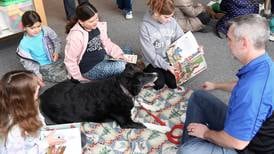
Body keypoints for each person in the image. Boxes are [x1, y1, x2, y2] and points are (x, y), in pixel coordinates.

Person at [178, 14, 274, 154]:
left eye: (230, 39)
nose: (227, 43)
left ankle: (195, 142)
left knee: (186, 151)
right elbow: (241, 85)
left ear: (244, 43)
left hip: (246, 147)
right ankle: (196, 141)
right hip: (243, 127)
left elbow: (238, 142)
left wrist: (206, 133)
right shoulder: (264, 63)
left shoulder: (252, 90)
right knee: (199, 96)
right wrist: (215, 85)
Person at [0, 70, 64, 153]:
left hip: (36, 139)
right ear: (25, 97)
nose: (41, 87)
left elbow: (40, 120)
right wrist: (45, 143)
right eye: (36, 90)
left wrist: (45, 133)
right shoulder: (14, 132)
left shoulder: (30, 103)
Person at [65, 2, 127, 81]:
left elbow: (106, 42)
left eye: (96, 18)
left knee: (126, 51)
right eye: (91, 21)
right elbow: (70, 60)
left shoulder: (98, 26)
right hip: (90, 69)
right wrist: (79, 79)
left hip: (103, 58)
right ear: (81, 22)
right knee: (121, 66)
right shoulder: (75, 36)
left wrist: (118, 54)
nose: (96, 22)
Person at [16, 11, 68, 83]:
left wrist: (56, 52)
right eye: (32, 28)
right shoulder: (23, 44)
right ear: (24, 28)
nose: (37, 30)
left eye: (38, 26)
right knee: (63, 77)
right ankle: (39, 76)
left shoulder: (46, 30)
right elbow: (27, 63)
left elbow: (56, 40)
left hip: (55, 58)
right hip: (42, 65)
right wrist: (37, 73)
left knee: (71, 67)